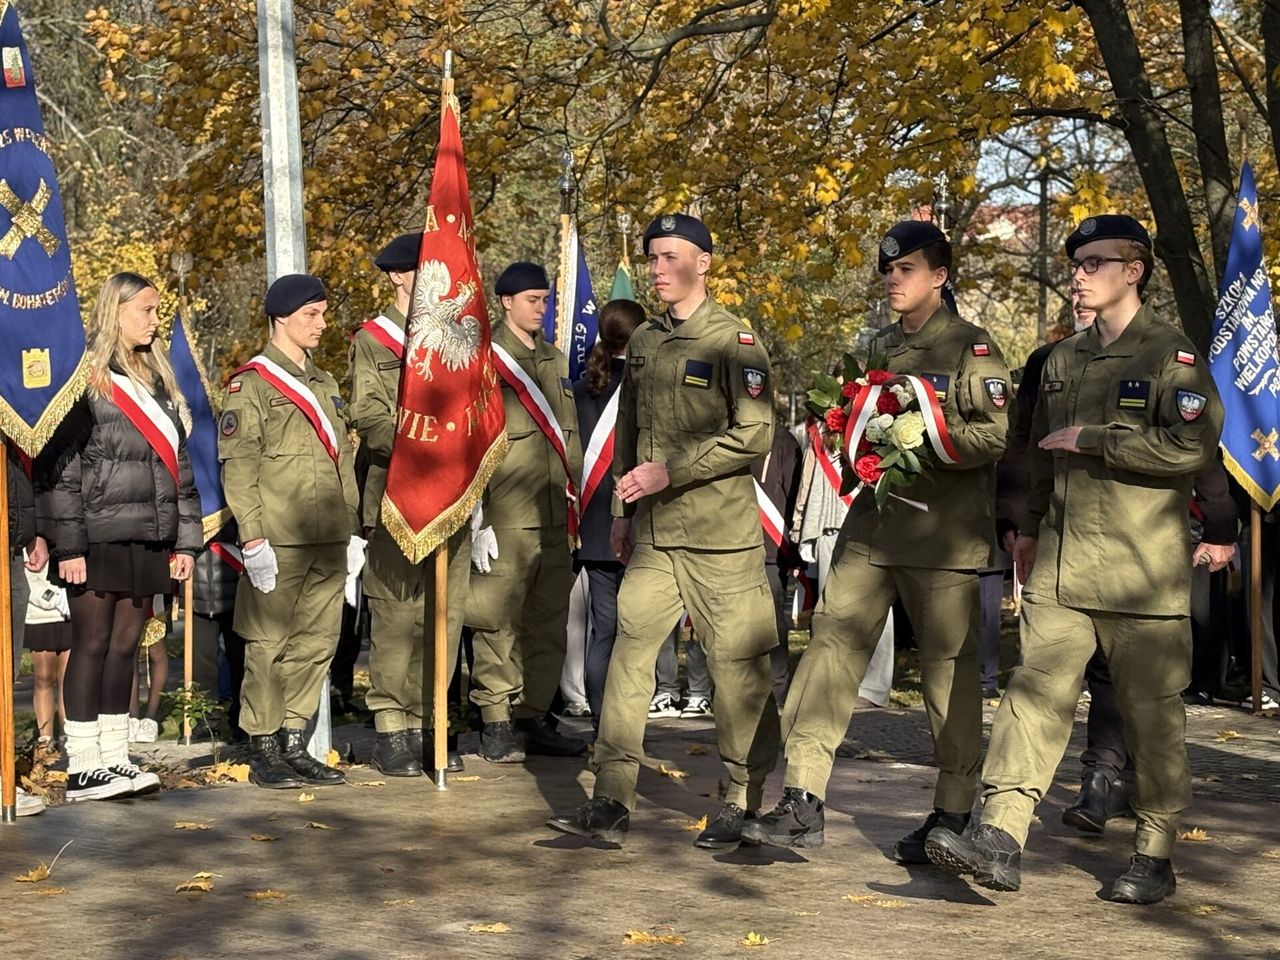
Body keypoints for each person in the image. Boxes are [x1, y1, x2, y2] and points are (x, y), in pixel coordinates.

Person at [926, 215, 1223, 905]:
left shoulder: (1172, 358)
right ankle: (999, 838)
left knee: (1152, 720)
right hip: (1062, 568)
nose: (1079, 276)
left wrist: (1097, 438)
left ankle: (1154, 851)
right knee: (1031, 700)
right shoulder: (1059, 360)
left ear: (1134, 271)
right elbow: (1037, 459)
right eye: (1075, 264)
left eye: (1095, 263)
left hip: (1141, 576)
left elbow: (1191, 450)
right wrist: (1028, 530)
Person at [742, 220, 1010, 860]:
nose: (893, 279)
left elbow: (993, 437)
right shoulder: (880, 347)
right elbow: (857, 424)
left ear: (939, 277)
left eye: (906, 269)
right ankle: (803, 799)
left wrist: (918, 439)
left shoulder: (972, 349)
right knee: (829, 652)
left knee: (948, 677)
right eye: (888, 269)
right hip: (871, 532)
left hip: (942, 539)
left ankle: (952, 814)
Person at [547, 212, 781, 849]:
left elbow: (755, 434)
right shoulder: (646, 339)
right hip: (654, 537)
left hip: (719, 540)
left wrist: (671, 472)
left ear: (703, 263)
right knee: (628, 659)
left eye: (671, 257)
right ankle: (611, 798)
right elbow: (629, 428)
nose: (658, 269)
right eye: (652, 258)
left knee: (736, 671)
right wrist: (624, 514)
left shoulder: (735, 342)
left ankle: (743, 799)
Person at [38, 272, 200, 801]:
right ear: (117, 311)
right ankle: (83, 763)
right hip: (97, 536)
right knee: (92, 644)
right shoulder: (85, 380)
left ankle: (114, 757)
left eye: (157, 311)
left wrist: (186, 542)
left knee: (127, 646)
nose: (155, 321)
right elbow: (62, 470)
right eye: (146, 310)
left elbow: (181, 472)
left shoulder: (159, 383)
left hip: (149, 535)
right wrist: (69, 546)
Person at [218, 274, 364, 789]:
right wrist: (253, 537)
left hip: (328, 536)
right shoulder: (252, 385)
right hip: (278, 538)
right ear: (281, 317)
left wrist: (352, 527)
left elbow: (342, 461)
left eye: (323, 314)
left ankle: (293, 741)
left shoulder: (324, 383)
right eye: (311, 315)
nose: (321, 324)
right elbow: (240, 467)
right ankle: (262, 744)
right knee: (267, 644)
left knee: (318, 642)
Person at [351, 232, 472, 776]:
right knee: (397, 618)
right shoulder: (373, 341)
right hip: (398, 497)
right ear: (399, 276)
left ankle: (430, 724)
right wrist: (426, 444)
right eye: (424, 269)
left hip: (454, 499)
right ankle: (391, 729)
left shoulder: (456, 338)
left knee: (444, 616)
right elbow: (371, 418)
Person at [465, 261, 585, 762]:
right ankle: (495, 719)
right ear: (506, 302)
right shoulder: (485, 361)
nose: (541, 309)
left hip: (554, 514)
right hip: (504, 515)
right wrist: (476, 517)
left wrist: (575, 501)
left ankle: (533, 714)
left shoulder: (555, 360)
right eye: (532, 300)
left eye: (545, 300)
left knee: (548, 622)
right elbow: (470, 443)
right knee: (496, 622)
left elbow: (570, 438)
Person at [574, 298, 647, 724]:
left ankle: (603, 722)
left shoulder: (580, 390)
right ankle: (625, 721)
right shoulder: (649, 389)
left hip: (591, 525)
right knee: (637, 631)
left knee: (603, 629)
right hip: (638, 518)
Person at [793, 421, 895, 708]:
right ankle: (831, 685)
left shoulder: (880, 423)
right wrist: (799, 526)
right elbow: (807, 483)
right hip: (830, 527)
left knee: (879, 609)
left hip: (872, 526)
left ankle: (874, 688)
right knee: (831, 611)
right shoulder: (820, 433)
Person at [752, 420, 803, 699]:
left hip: (772, 548)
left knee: (773, 621)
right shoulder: (732, 436)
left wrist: (794, 549)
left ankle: (777, 687)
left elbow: (793, 496)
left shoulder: (784, 442)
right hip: (737, 547)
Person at [189, 519, 246, 741]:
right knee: (201, 662)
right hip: (197, 590)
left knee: (240, 659)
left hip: (236, 588)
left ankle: (242, 720)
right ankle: (205, 721)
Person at [23, 554, 70, 750]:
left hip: (69, 614)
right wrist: (55, 599)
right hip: (39, 615)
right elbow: (28, 579)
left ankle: (67, 734)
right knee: (44, 676)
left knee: (68, 678)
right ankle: (45, 738)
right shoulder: (29, 543)